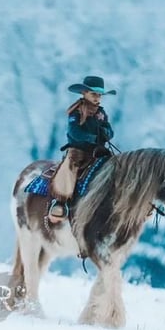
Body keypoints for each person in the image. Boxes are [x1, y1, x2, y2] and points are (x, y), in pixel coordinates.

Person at [48, 75, 116, 223]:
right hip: (78, 151)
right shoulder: (76, 111)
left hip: (98, 152)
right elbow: (75, 133)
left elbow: (110, 130)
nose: (97, 98)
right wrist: (91, 138)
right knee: (70, 167)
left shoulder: (102, 113)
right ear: (84, 93)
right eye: (94, 94)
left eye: (99, 95)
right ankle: (60, 200)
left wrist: (106, 134)